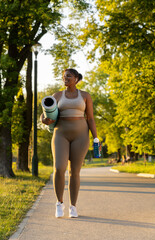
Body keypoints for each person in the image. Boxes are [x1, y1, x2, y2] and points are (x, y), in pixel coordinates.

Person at [40, 68, 98, 218]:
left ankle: (73, 206)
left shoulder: (85, 96)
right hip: (61, 133)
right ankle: (59, 203)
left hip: (81, 135)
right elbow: (45, 112)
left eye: (69, 76)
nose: (65, 78)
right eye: (64, 76)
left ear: (76, 78)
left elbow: (90, 118)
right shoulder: (57, 95)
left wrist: (96, 137)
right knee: (59, 168)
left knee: (75, 171)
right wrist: (44, 120)